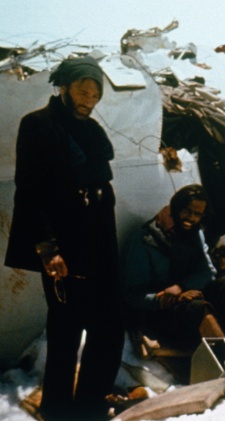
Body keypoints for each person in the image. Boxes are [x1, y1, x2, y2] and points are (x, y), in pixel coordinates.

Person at [4, 55, 124, 420]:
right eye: (82, 90)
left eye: (95, 93)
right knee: (66, 331)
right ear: (64, 87)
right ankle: (58, 411)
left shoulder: (90, 130)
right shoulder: (38, 126)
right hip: (65, 245)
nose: (89, 99)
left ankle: (89, 405)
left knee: (108, 328)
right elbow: (30, 191)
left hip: (99, 241)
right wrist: (47, 248)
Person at [121, 185, 225, 356]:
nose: (191, 218)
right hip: (161, 310)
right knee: (198, 307)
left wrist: (182, 287)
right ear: (176, 208)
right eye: (187, 211)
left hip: (186, 292)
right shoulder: (144, 241)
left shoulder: (194, 233)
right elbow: (132, 294)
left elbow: (208, 271)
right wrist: (164, 297)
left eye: (197, 214)